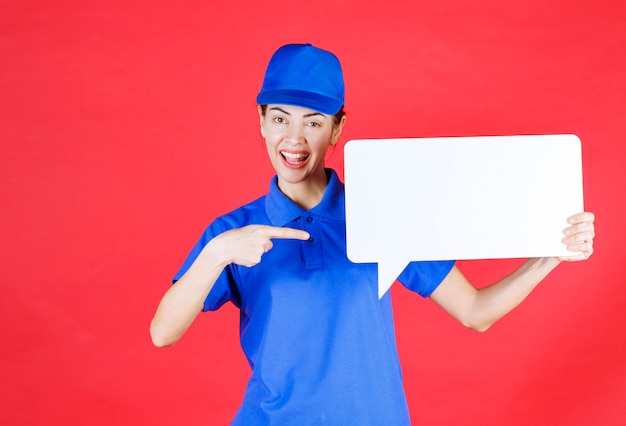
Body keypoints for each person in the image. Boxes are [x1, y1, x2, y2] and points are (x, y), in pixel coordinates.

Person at [150, 43, 595, 425]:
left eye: (314, 121)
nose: (294, 138)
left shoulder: (383, 212)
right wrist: (216, 254)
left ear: (337, 129)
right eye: (281, 119)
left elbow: (475, 311)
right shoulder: (231, 232)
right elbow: (162, 333)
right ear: (261, 120)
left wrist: (551, 256)